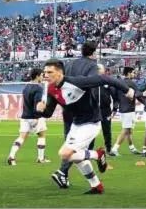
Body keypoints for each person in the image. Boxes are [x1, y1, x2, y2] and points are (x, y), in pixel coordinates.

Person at [37, 59, 134, 195]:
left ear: (59, 73)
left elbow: (104, 78)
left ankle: (97, 154)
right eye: (44, 72)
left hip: (91, 123)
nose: (45, 75)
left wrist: (127, 90)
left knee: (65, 154)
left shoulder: (76, 82)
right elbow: (48, 113)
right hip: (76, 125)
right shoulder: (51, 90)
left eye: (49, 72)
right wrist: (40, 110)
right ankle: (96, 186)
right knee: (76, 157)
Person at [54, 41, 99, 187]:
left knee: (69, 143)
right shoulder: (92, 65)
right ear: (93, 52)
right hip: (85, 110)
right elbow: (91, 83)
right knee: (83, 147)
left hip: (68, 109)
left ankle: (66, 175)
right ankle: (63, 171)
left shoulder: (70, 64)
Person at [7, 68, 50, 165]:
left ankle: (12, 155)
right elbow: (37, 104)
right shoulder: (39, 88)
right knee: (42, 135)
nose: (43, 77)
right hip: (35, 116)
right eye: (42, 75)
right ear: (37, 76)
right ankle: (40, 158)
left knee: (22, 137)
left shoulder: (26, 87)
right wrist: (37, 117)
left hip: (25, 116)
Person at [110, 67, 140, 156]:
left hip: (122, 109)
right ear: (129, 73)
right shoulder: (132, 83)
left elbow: (115, 96)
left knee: (129, 130)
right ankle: (114, 149)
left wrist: (115, 108)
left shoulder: (119, 82)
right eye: (133, 72)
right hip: (129, 110)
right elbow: (138, 94)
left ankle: (132, 148)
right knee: (126, 129)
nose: (134, 74)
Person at [94, 64, 117, 153]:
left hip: (105, 110)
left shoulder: (107, 82)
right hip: (93, 110)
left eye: (100, 69)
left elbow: (115, 96)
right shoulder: (91, 81)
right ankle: (89, 148)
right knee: (90, 130)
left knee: (107, 129)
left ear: (103, 71)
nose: (98, 70)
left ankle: (108, 148)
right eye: (97, 69)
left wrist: (115, 108)